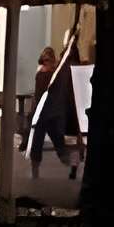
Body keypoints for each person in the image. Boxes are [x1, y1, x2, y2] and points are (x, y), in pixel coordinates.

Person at [28, 44, 80, 177]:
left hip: (50, 114)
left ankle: (72, 164)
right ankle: (36, 171)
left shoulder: (51, 74)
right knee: (42, 143)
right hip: (47, 114)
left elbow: (43, 95)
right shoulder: (48, 74)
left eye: (48, 60)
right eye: (45, 60)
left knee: (57, 143)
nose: (46, 63)